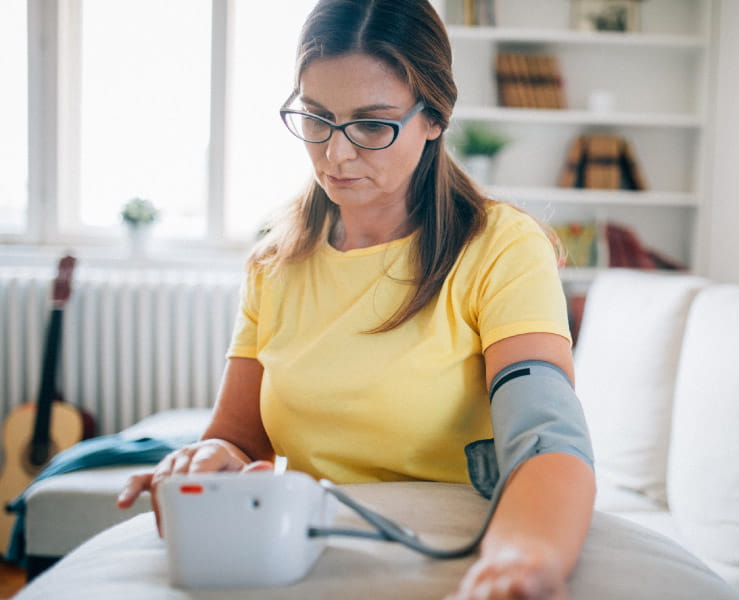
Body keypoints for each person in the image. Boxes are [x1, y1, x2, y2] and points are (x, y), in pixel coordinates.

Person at [118, 1, 596, 597]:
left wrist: (524, 557)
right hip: (306, 552)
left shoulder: (502, 247)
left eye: (372, 125)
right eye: (315, 117)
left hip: (455, 547)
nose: (334, 154)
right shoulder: (276, 259)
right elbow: (239, 438)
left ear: (435, 117)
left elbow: (546, 437)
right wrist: (208, 458)